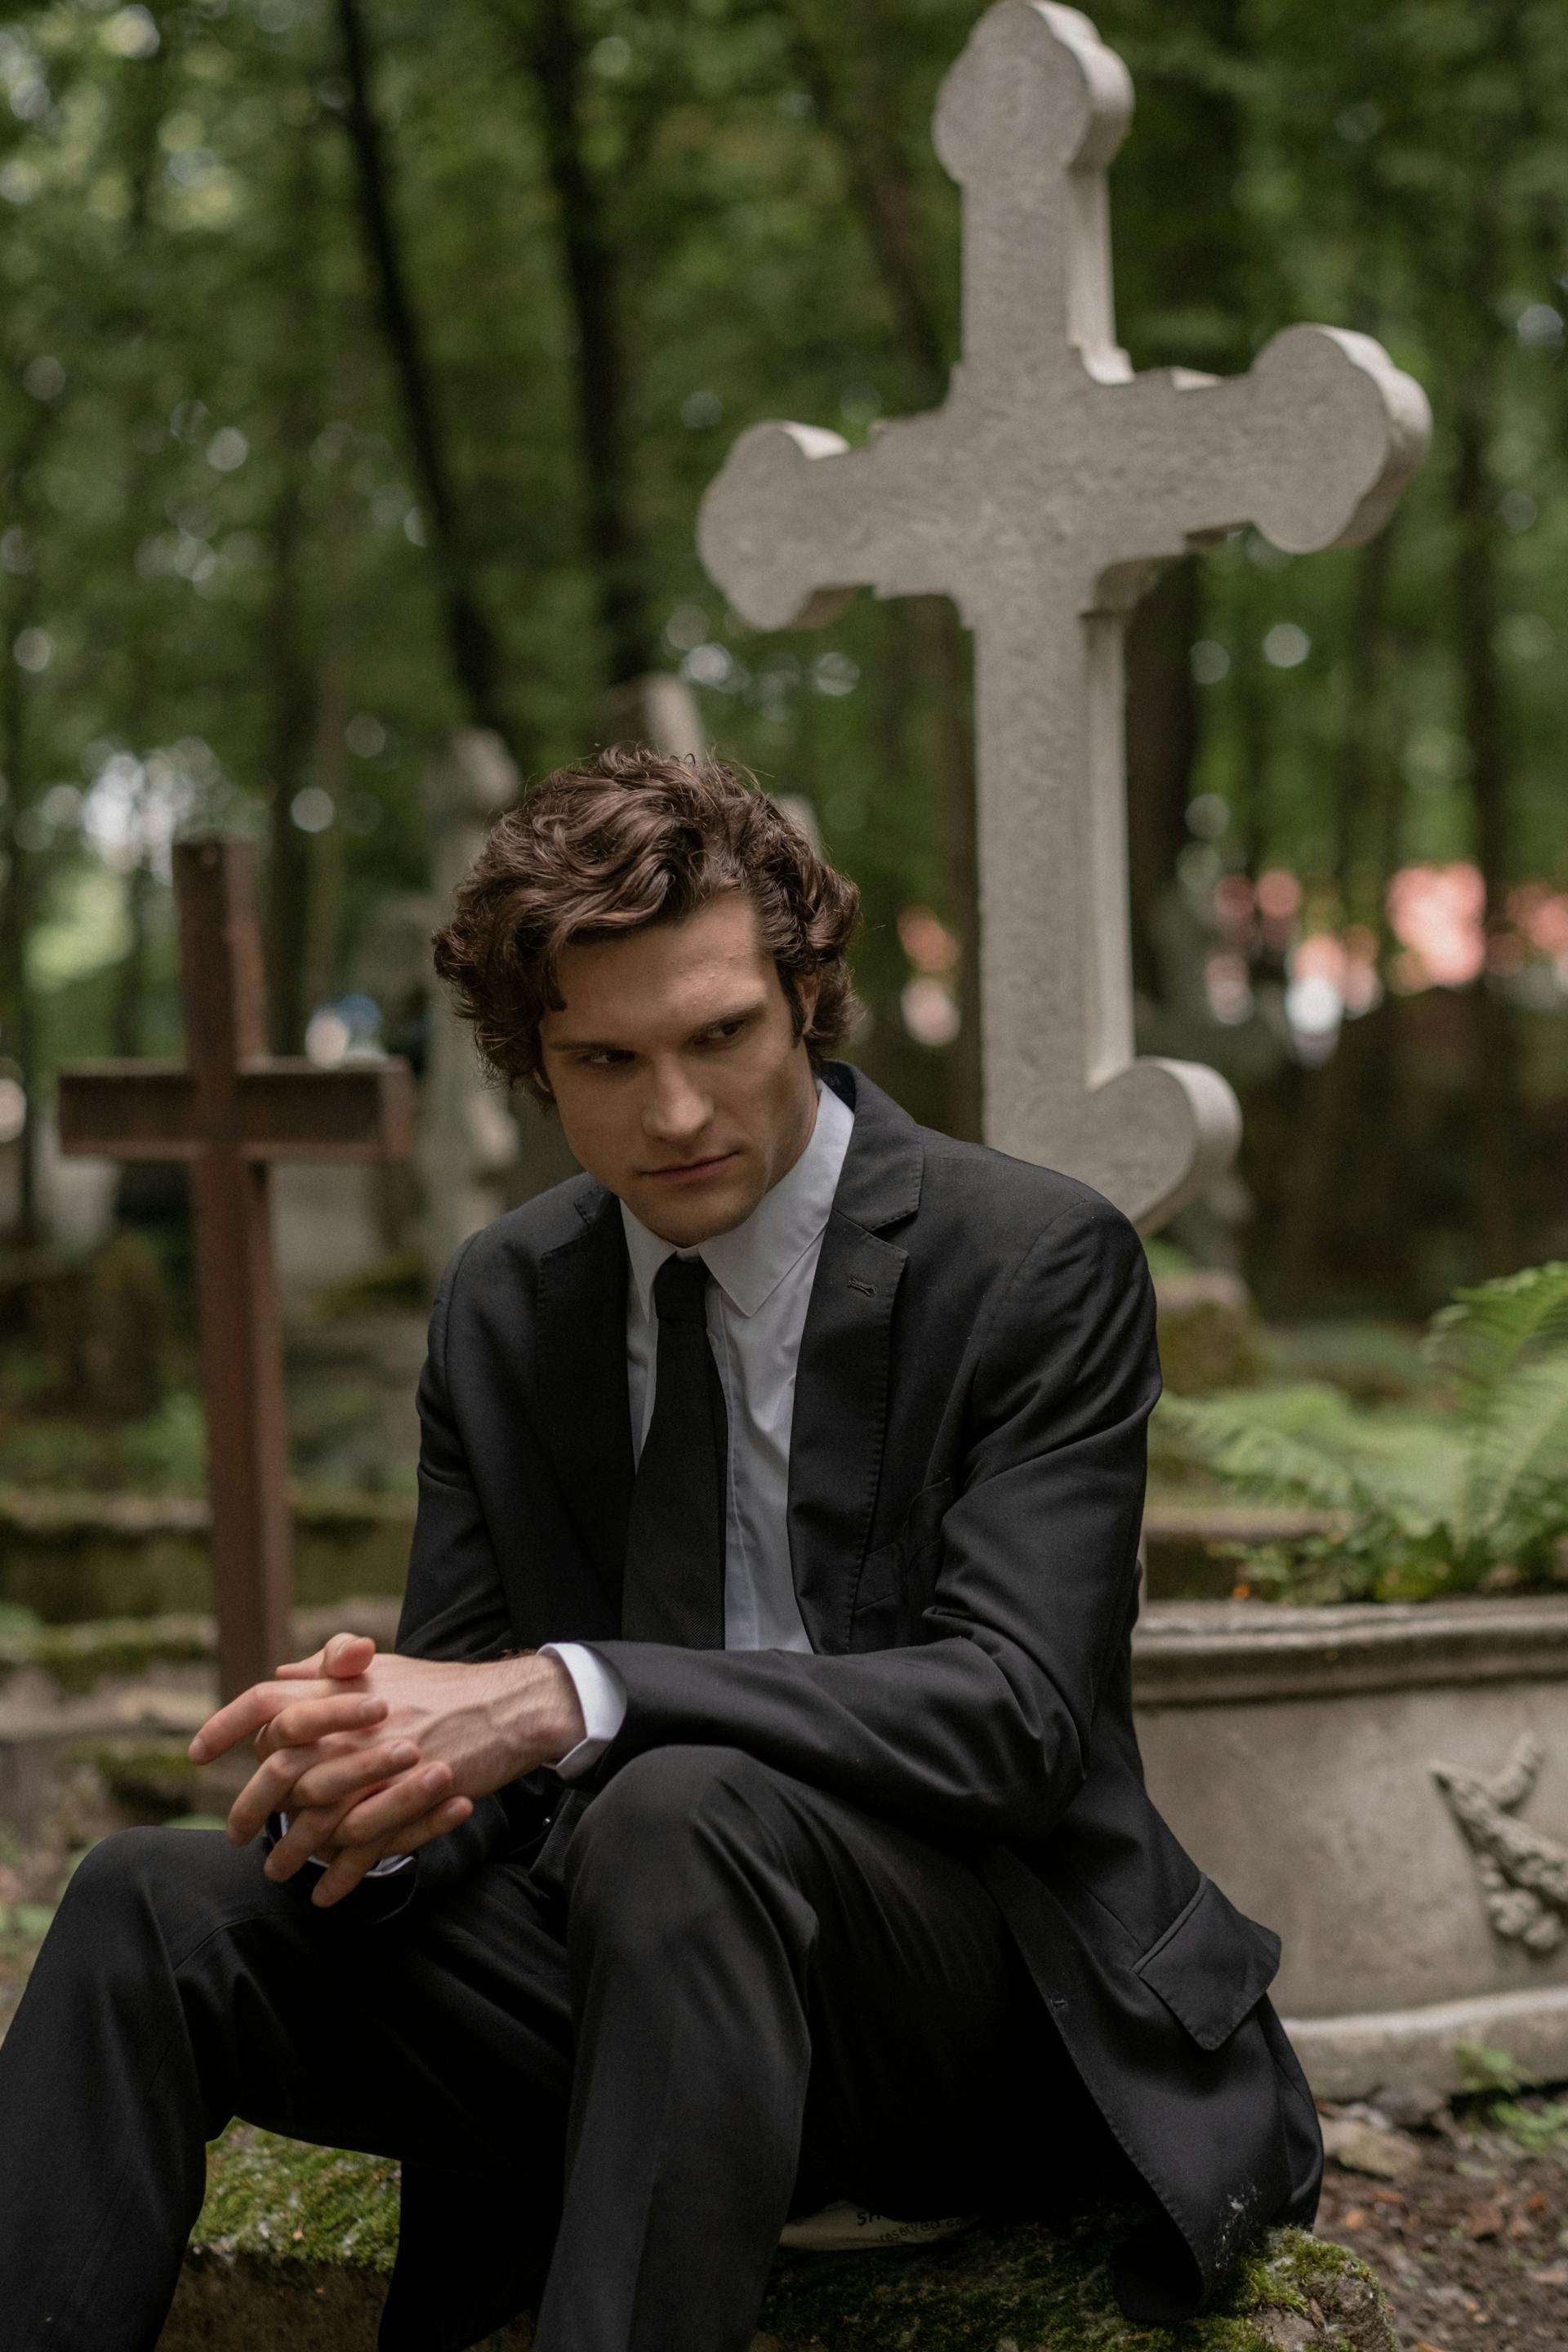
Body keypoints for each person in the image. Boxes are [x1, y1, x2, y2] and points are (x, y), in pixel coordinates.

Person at [0, 747, 1321, 2352]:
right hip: (639, 1992)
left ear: (807, 995)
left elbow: (1018, 1724)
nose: (680, 1111)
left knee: (682, 1804)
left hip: (979, 2016)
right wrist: (388, 1798)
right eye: (608, 1060)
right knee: (151, 1901)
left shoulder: (1028, 1263)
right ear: (534, 1065)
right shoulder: (506, 1299)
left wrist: (573, 1692)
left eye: (723, 1036)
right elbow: (482, 1748)